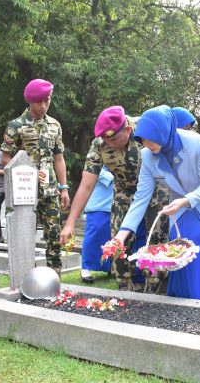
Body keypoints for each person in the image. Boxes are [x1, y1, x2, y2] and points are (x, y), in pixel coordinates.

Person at [114, 105, 200, 301]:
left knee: (195, 238)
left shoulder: (194, 142)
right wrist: (121, 234)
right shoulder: (148, 155)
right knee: (176, 243)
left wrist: (185, 201)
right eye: (142, 140)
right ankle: (179, 298)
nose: (147, 144)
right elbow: (141, 197)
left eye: (150, 139)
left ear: (163, 132)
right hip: (180, 200)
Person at [59, 105, 168, 292]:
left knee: (156, 238)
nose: (110, 144)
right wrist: (70, 223)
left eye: (115, 139)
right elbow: (87, 184)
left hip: (157, 191)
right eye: (106, 140)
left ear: (127, 129)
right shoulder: (99, 144)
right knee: (118, 241)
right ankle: (126, 286)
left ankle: (155, 286)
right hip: (124, 192)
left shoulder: (146, 129)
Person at [1, 79, 70, 276]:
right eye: (39, 101)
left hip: (49, 189)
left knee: (54, 234)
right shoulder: (16, 126)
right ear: (29, 101)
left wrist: (63, 187)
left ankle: (54, 277)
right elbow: (5, 159)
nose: (44, 105)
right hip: (24, 190)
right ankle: (25, 276)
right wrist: (29, 172)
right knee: (24, 234)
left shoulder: (54, 125)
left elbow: (59, 158)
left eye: (47, 100)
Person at [80, 166, 113, 283]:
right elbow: (113, 179)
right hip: (98, 207)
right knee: (93, 239)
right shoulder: (97, 166)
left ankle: (110, 267)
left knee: (111, 239)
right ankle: (85, 268)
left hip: (115, 208)